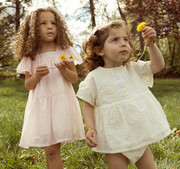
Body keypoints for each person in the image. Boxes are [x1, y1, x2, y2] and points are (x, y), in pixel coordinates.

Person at [77, 20, 171, 169]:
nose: (123, 43)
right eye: (115, 40)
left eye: (125, 39)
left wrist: (151, 44)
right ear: (99, 51)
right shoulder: (94, 77)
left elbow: (157, 66)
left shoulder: (133, 68)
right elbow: (88, 104)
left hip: (138, 132)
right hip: (112, 136)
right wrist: (90, 128)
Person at [15, 6, 85, 169]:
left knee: (53, 151)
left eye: (53, 23)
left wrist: (63, 70)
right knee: (49, 151)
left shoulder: (65, 51)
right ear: (32, 30)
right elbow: (28, 85)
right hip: (42, 108)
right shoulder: (31, 57)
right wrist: (37, 76)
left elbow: (74, 79)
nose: (49, 26)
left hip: (60, 105)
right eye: (43, 23)